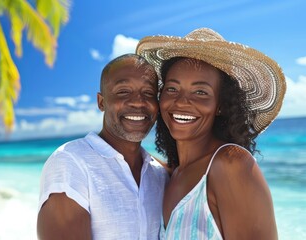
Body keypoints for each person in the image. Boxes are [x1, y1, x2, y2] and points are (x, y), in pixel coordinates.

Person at [136, 28, 285, 239]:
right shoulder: (173, 174)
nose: (181, 101)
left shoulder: (231, 165)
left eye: (200, 92)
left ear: (220, 105)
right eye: (172, 89)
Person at [37, 53, 170, 240]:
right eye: (123, 92)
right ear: (101, 102)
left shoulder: (159, 174)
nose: (138, 101)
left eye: (148, 93)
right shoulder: (70, 163)